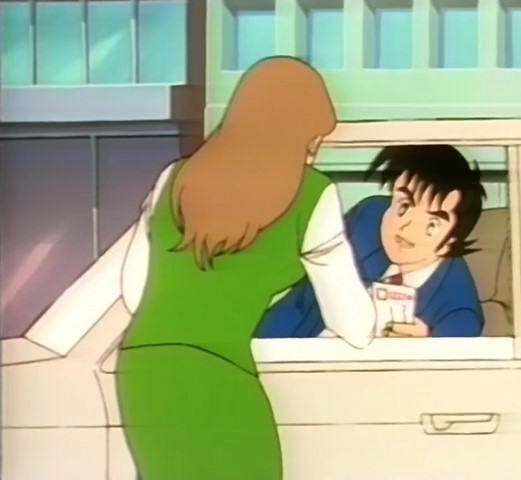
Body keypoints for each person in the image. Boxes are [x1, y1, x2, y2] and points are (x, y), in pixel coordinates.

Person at [115, 56, 376, 480]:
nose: (313, 153)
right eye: (312, 141)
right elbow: (354, 327)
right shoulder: (313, 194)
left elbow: (133, 293)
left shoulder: (174, 178)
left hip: (144, 369)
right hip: (220, 369)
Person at [257, 144, 486, 339]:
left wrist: (427, 342)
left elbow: (458, 348)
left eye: (431, 225)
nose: (406, 226)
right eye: (403, 206)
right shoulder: (370, 217)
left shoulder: (457, 303)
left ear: (450, 242)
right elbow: (303, 290)